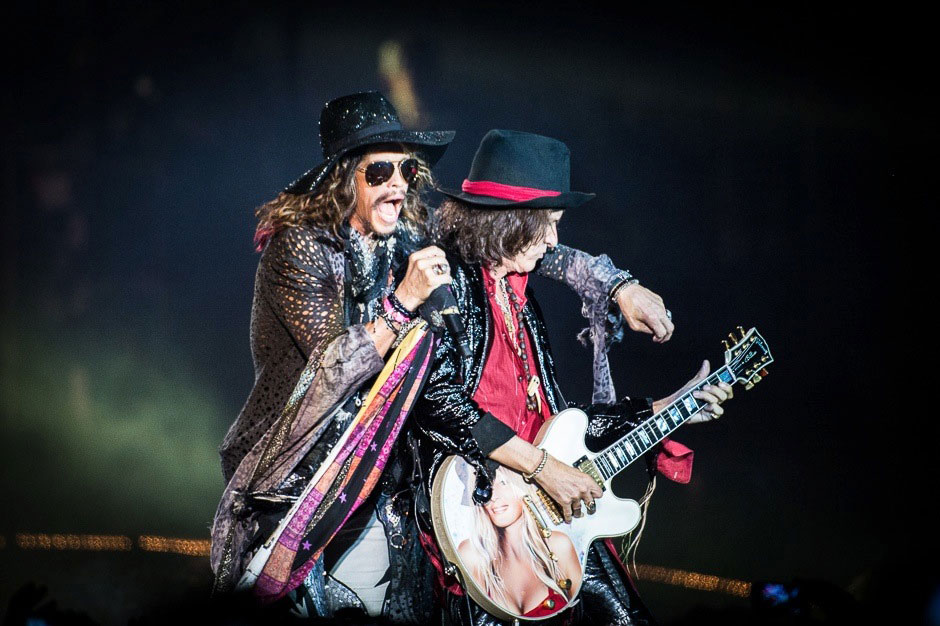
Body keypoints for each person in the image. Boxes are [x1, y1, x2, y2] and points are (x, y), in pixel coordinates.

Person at [210, 92, 677, 622]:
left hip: (382, 473)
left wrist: (615, 285)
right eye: (379, 171)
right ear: (342, 179)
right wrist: (401, 304)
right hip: (302, 474)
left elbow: (506, 239)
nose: (397, 184)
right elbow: (330, 370)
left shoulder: (404, 236)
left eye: (406, 170)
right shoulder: (299, 249)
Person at [409, 129, 733, 625]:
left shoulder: (519, 297)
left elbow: (563, 424)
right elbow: (436, 400)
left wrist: (666, 409)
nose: (554, 241)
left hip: (551, 508)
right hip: (483, 521)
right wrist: (542, 468)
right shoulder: (446, 282)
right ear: (510, 222)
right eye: (549, 225)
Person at [457, 465, 581, 618]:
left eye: (504, 483)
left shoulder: (558, 546)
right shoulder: (473, 556)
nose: (493, 496)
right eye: (485, 486)